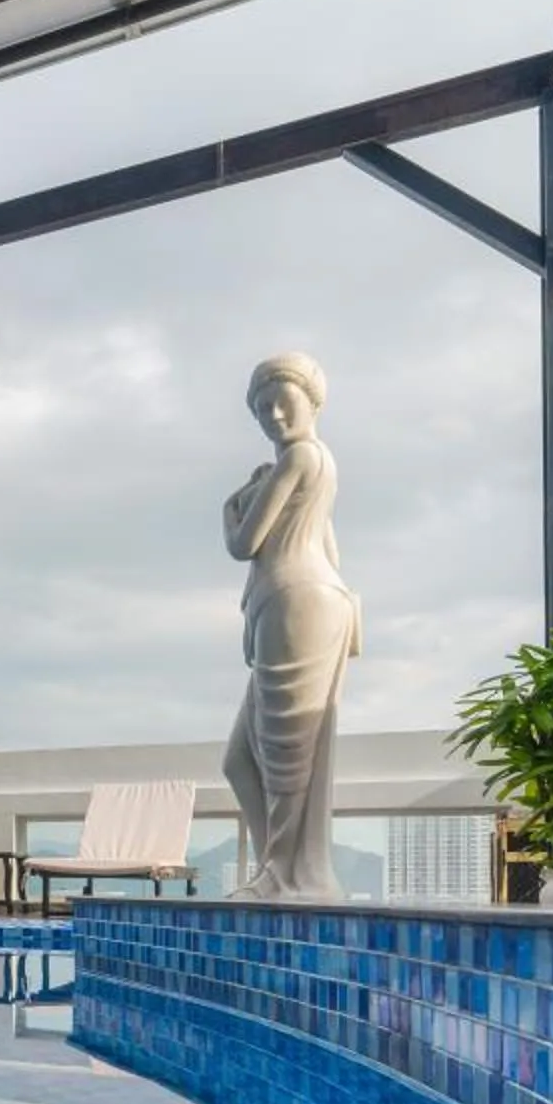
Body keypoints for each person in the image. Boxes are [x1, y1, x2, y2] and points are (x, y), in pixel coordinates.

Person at [220, 352, 362, 901]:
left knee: (286, 753)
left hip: (296, 601)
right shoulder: (316, 464)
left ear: (312, 402)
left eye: (284, 403)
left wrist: (231, 506)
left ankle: (285, 874)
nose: (275, 416)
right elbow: (329, 544)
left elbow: (243, 544)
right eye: (262, 410)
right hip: (308, 598)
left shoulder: (301, 456)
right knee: (240, 759)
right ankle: (276, 869)